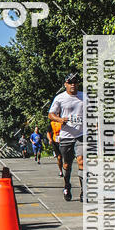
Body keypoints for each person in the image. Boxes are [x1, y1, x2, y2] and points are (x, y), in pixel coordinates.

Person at [49, 71, 85, 202]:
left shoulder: (84, 97)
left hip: (81, 135)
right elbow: (51, 114)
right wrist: (59, 119)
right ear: (65, 84)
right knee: (67, 165)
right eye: (70, 82)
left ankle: (83, 191)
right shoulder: (60, 98)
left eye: (75, 82)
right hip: (66, 136)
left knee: (82, 161)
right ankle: (67, 186)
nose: (73, 85)